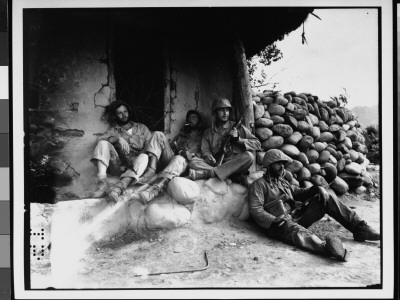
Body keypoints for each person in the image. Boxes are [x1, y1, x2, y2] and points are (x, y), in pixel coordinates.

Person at [249, 149, 380, 262]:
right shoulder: (259, 185)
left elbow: (297, 193)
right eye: (278, 163)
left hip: (296, 217)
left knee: (326, 198)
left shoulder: (283, 182)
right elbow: (256, 209)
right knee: (297, 232)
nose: (282, 167)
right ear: (269, 165)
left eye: (283, 164)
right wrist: (274, 220)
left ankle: (360, 228)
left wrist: (317, 189)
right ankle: (328, 248)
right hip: (278, 226)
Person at [132, 110, 204, 204]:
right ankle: (151, 170)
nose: (191, 120)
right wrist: (174, 146)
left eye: (194, 118)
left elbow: (203, 152)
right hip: (174, 157)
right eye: (189, 118)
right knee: (158, 134)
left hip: (186, 163)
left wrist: (190, 154)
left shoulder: (202, 134)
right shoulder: (182, 133)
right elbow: (171, 147)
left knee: (179, 159)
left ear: (199, 121)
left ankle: (153, 191)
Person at [188, 98, 261, 185]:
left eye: (227, 110)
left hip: (235, 164)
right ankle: (228, 175)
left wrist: (239, 139)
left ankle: (208, 173)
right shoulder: (208, 132)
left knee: (249, 156)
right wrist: (208, 156)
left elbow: (257, 143)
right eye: (222, 110)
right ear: (215, 113)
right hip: (217, 163)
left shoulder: (237, 127)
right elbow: (205, 149)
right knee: (193, 162)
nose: (225, 113)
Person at [89, 100, 152, 198]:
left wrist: (138, 157)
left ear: (129, 112)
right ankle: (102, 182)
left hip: (137, 163)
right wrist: (117, 138)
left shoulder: (141, 128)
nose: (124, 115)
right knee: (103, 143)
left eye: (125, 111)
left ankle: (124, 183)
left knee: (144, 157)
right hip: (119, 165)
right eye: (120, 113)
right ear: (115, 116)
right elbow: (99, 139)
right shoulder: (114, 130)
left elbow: (150, 146)